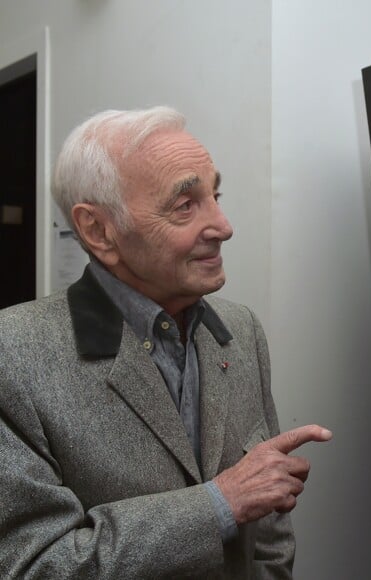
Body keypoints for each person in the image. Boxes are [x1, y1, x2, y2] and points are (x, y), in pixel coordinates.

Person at [0, 106, 332, 579]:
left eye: (215, 195)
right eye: (185, 205)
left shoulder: (241, 331)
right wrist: (218, 504)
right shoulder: (14, 355)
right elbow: (31, 565)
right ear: (98, 230)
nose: (223, 225)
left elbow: (271, 528)